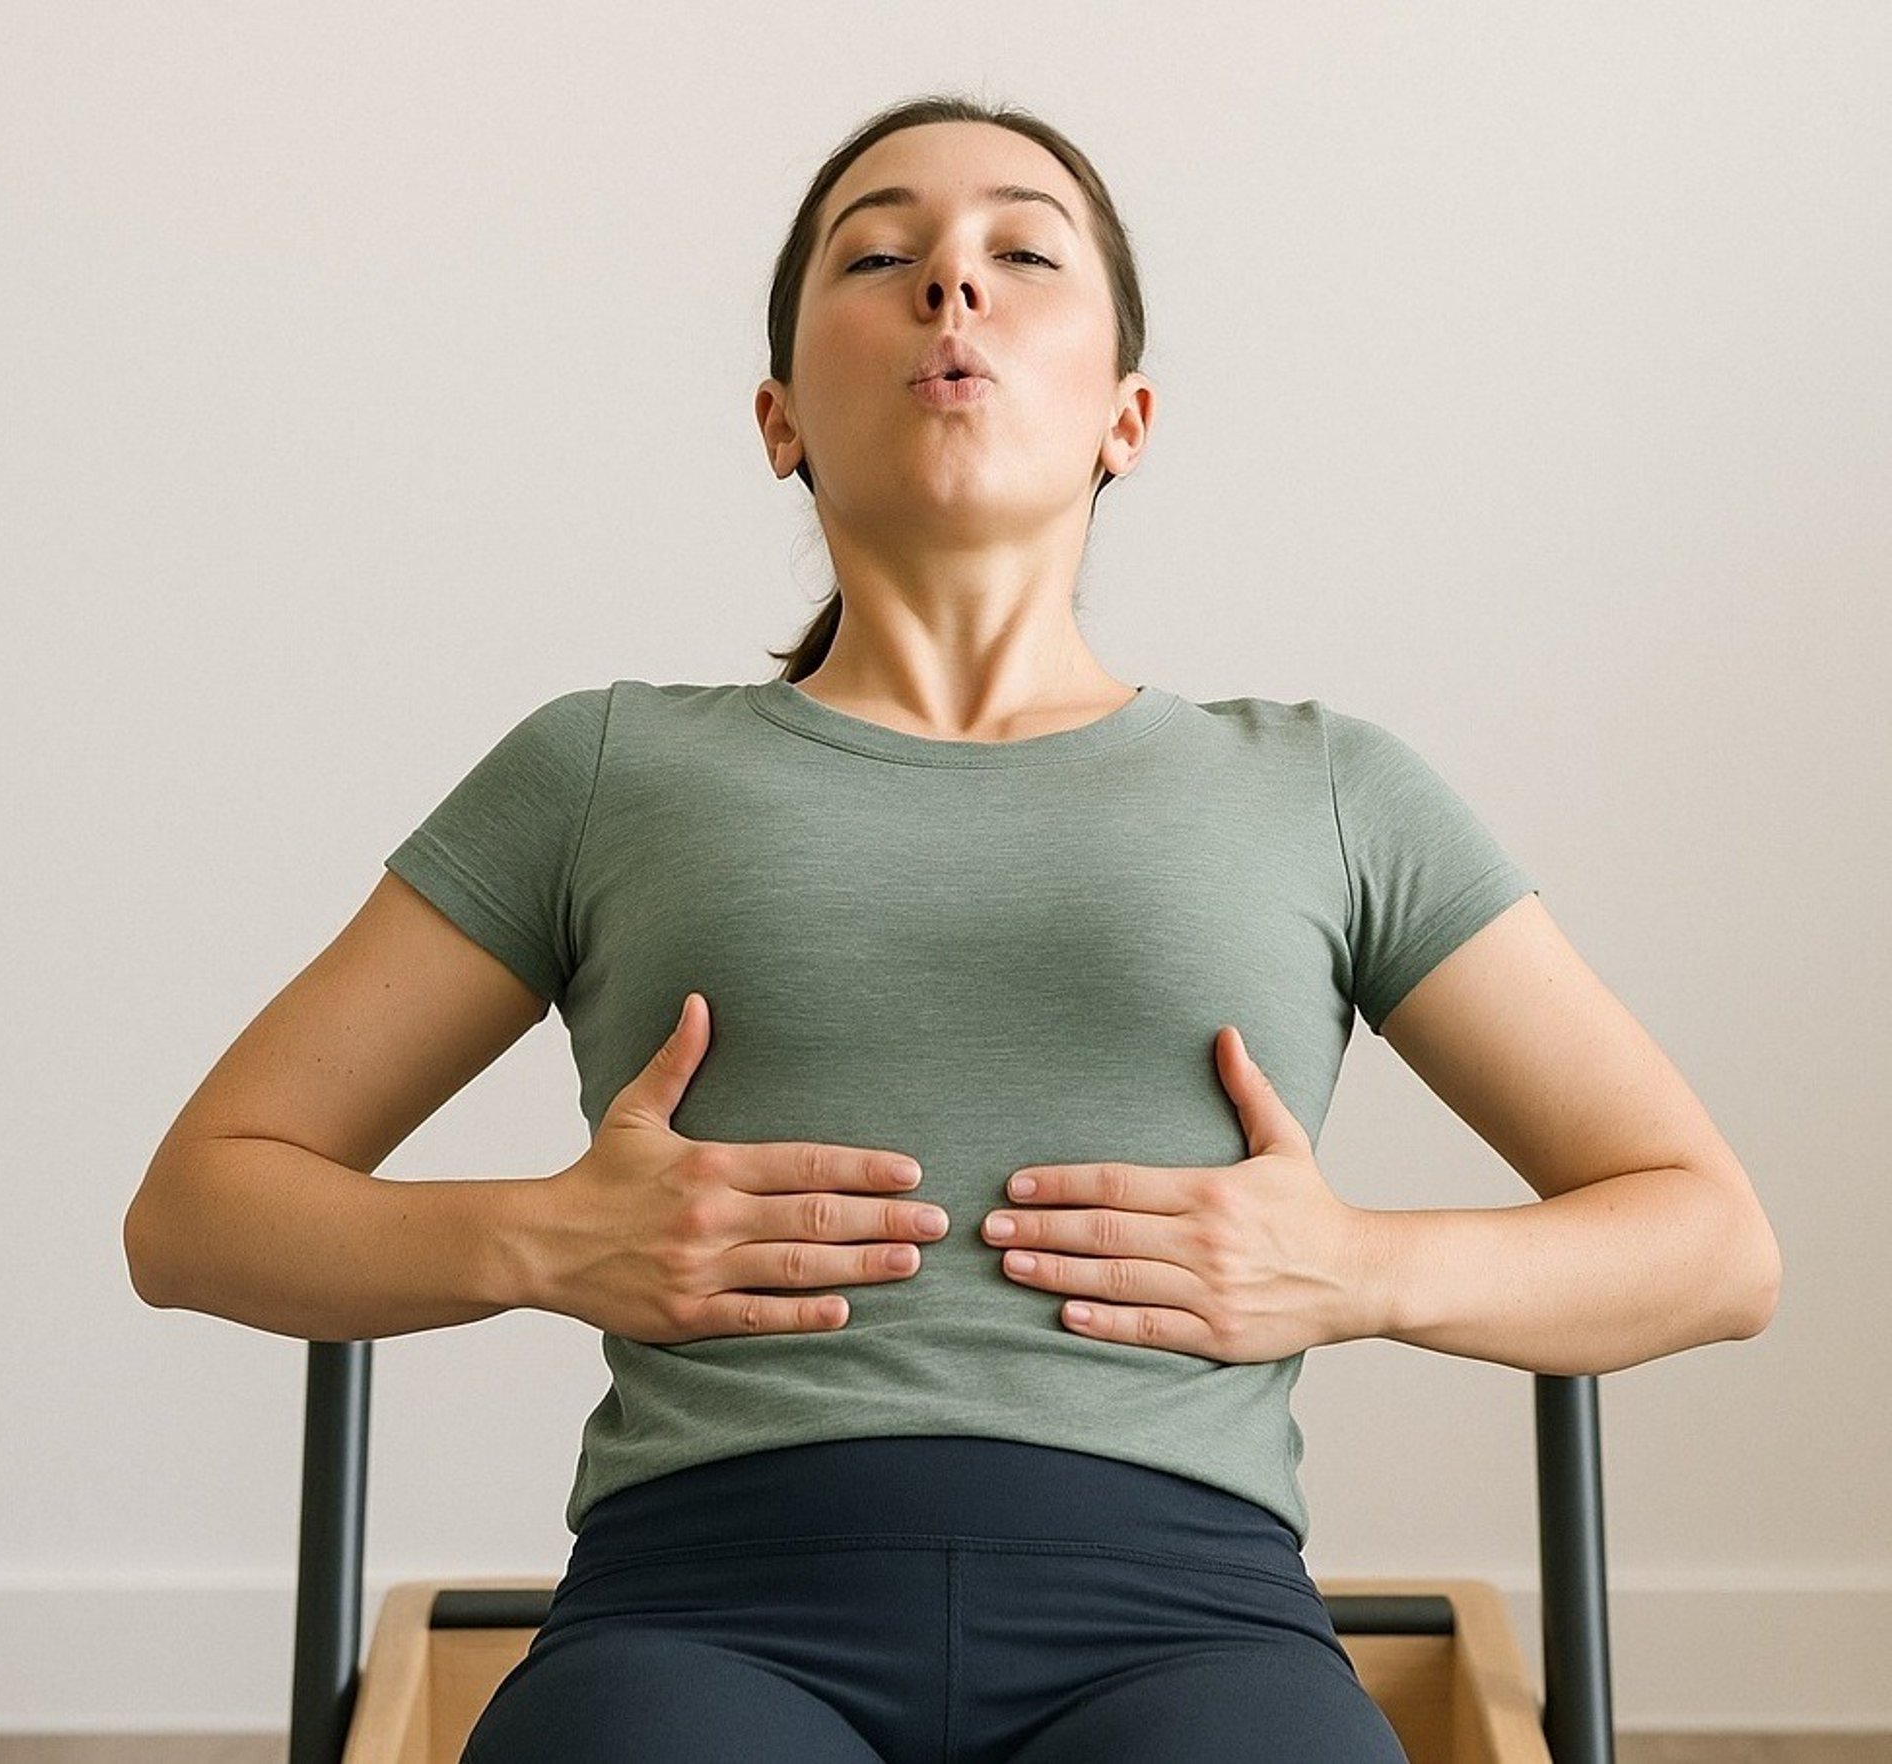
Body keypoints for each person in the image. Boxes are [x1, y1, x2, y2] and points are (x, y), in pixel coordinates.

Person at [124, 93, 1783, 1764]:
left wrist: (1356, 1268)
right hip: (700, 1611)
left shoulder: (1330, 789)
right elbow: (196, 1210)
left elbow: (1712, 1246)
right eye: (883, 254)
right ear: (778, 416)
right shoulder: (603, 766)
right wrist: (546, 1241)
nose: (952, 288)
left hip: (1189, 1624)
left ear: (1127, 415)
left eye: (1021, 252)